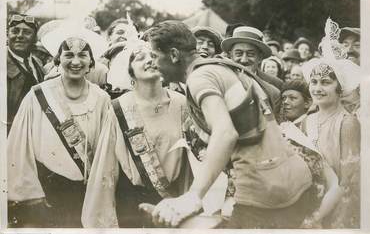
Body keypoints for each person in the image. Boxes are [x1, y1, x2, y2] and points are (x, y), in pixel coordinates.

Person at [143, 20, 314, 228]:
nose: (152, 63)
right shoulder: (218, 68)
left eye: (154, 56)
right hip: (291, 184)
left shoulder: (199, 77)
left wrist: (192, 197)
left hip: (267, 194)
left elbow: (225, 134)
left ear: (173, 55)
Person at [7, 24, 111, 227]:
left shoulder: (102, 98)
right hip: (45, 193)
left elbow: (107, 152)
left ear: (91, 61)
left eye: (82, 55)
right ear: (57, 59)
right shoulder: (37, 95)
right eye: (68, 55)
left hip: (90, 193)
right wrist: (32, 197)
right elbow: (18, 149)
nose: (75, 61)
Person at [82, 40, 192, 227]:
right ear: (130, 72)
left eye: (154, 56)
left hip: (174, 203)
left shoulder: (182, 103)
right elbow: (107, 167)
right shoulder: (119, 108)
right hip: (132, 205)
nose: (149, 60)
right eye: (140, 58)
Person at [301, 57, 360, 228]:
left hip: (337, 208)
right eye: (314, 82)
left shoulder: (348, 123)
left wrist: (316, 217)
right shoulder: (307, 120)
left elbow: (347, 182)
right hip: (308, 200)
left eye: (325, 82)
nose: (317, 88)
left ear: (339, 89)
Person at [221, 26, 284, 117]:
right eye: (238, 53)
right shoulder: (219, 80)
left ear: (260, 57)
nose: (244, 60)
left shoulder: (275, 85)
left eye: (250, 54)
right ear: (230, 55)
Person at [7, 13, 45, 133]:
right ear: (7, 34)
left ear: (35, 38)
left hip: (34, 130)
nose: (19, 36)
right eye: (15, 31)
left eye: (27, 32)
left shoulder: (38, 63)